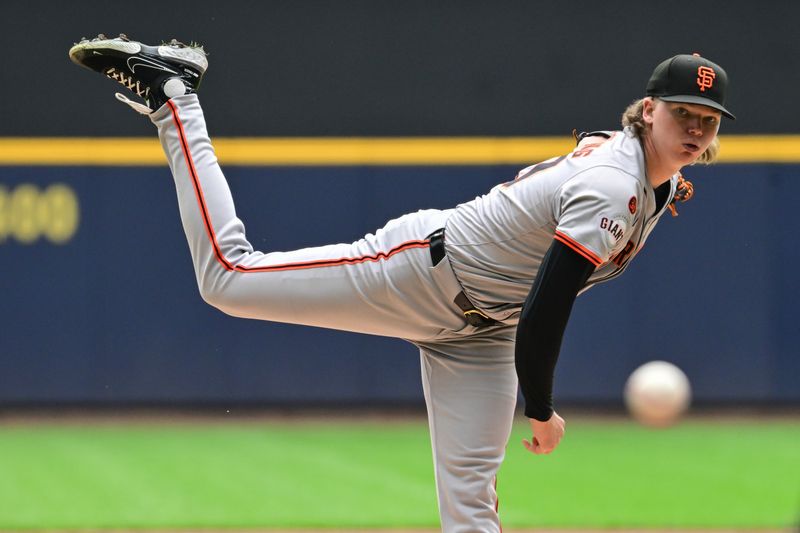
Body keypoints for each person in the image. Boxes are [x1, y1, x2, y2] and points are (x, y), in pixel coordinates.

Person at [69, 35, 734, 533]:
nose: (696, 130)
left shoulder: (653, 176)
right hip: (422, 271)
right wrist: (539, 405)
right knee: (228, 278)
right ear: (648, 110)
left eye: (707, 120)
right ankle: (176, 98)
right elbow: (547, 308)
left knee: (471, 504)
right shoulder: (616, 186)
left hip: (481, 333)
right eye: (684, 114)